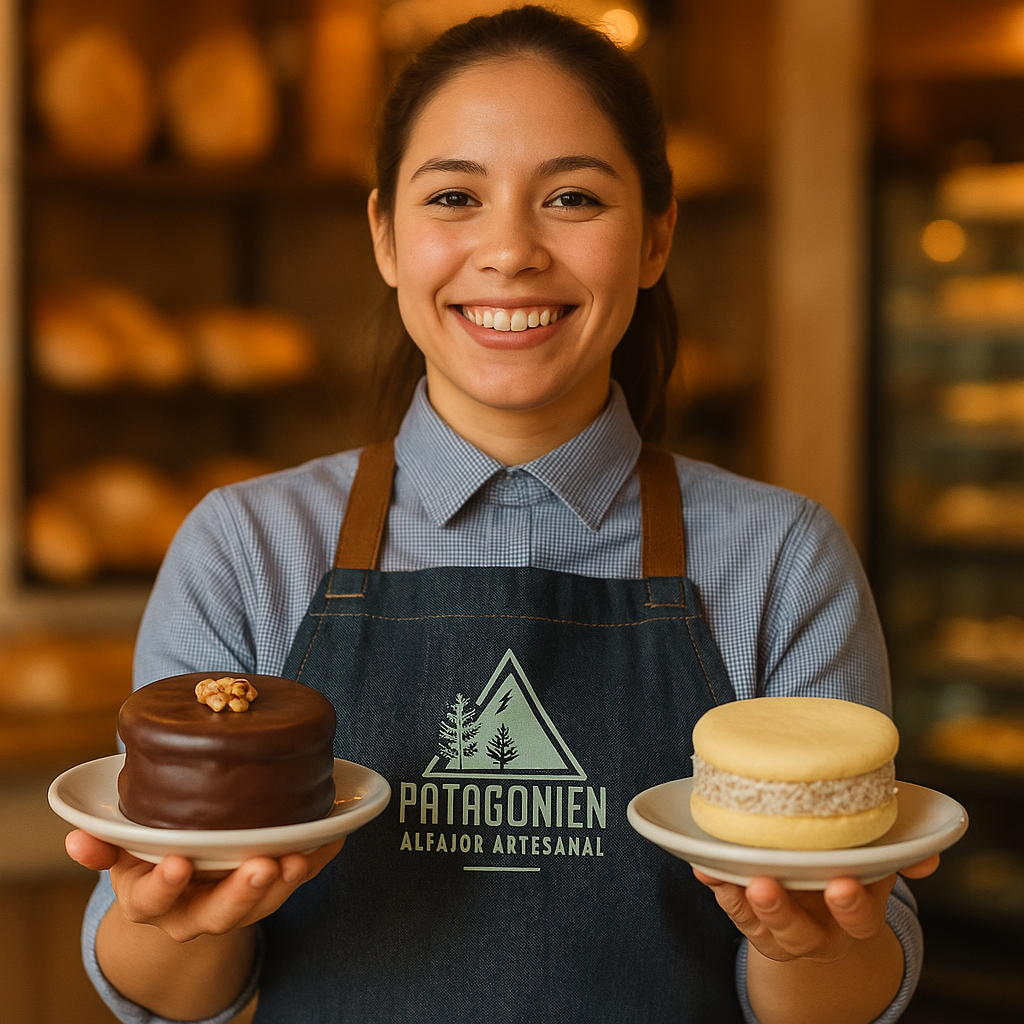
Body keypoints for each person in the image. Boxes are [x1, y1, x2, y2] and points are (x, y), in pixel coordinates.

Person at [67, 7, 937, 1023]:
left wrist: (810, 943)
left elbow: (851, 982)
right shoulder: (248, 547)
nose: (510, 250)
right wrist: (179, 918)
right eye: (454, 197)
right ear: (386, 236)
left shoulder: (782, 557)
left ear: (656, 236)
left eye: (572, 196)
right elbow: (171, 994)